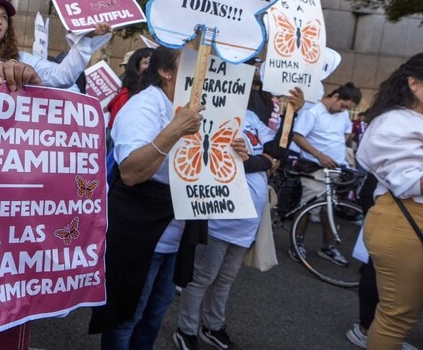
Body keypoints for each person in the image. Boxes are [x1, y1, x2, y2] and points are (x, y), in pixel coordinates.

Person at [89, 47, 248, 349]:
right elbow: (131, 172)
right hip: (140, 231)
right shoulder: (144, 107)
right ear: (166, 72)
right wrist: (174, 131)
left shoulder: (208, 109)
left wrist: (233, 152)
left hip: (176, 232)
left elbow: (206, 165)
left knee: (154, 316)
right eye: (196, 62)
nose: (206, 69)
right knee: (126, 318)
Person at [173, 86, 304, 350]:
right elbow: (220, 160)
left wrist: (292, 114)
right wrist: (261, 161)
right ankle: (185, 331)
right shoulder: (210, 115)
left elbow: (276, 151)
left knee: (225, 279)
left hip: (247, 221)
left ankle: (213, 326)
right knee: (202, 278)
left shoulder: (253, 119)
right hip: (218, 217)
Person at [356, 53, 423, 350]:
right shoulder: (393, 122)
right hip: (405, 222)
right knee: (398, 315)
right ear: (414, 83)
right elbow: (409, 182)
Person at [291, 82, 361, 265]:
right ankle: (296, 242)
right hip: (314, 167)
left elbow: (345, 133)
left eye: (348, 108)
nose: (343, 110)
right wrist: (319, 154)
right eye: (343, 105)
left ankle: (328, 247)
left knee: (330, 207)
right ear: (336, 96)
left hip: (335, 168)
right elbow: (297, 136)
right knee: (308, 206)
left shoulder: (343, 114)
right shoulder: (313, 111)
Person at [0, 0, 112, 88]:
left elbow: (62, 77)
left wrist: (85, 37)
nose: (0, 21)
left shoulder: (23, 60)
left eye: (4, 17)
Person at [107, 47, 153, 128]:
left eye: (155, 63)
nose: (152, 67)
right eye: (147, 62)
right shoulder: (124, 96)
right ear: (135, 69)